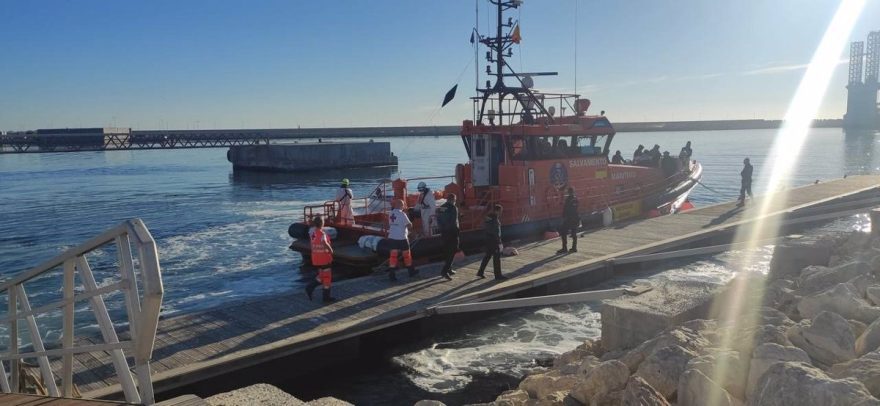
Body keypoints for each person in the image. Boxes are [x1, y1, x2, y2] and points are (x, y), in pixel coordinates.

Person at [305, 216, 336, 303]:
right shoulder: (322, 234)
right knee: (327, 276)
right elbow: (325, 243)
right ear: (322, 223)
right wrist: (331, 250)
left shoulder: (313, 234)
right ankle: (325, 296)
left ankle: (311, 287)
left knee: (322, 275)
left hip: (316, 258)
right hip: (324, 258)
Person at [387, 199, 419, 281]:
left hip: (392, 237)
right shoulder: (402, 214)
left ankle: (392, 275)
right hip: (402, 238)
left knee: (393, 257)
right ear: (401, 205)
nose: (404, 206)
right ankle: (411, 271)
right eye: (403, 205)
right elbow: (409, 225)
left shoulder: (390, 213)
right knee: (407, 255)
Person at [477, 204, 507, 280]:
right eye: (500, 211)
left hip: (488, 239)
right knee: (496, 258)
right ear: (497, 211)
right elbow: (496, 232)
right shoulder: (495, 219)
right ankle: (498, 275)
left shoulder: (488, 217)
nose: (501, 213)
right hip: (494, 241)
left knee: (487, 256)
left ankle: (480, 272)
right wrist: (499, 242)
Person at [436, 193, 460, 280]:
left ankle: (449, 269)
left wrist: (442, 228)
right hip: (452, 232)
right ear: (453, 200)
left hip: (444, 232)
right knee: (453, 251)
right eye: (455, 200)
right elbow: (453, 221)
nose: (455, 202)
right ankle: (445, 271)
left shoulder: (442, 207)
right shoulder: (454, 208)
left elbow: (438, 219)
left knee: (447, 251)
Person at [557, 187, 579, 254]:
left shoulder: (568, 199)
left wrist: (563, 217)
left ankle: (564, 248)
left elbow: (566, 209)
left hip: (569, 218)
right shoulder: (576, 199)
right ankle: (574, 247)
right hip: (575, 218)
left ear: (569, 192)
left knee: (563, 232)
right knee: (574, 233)